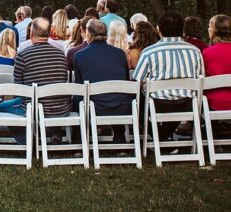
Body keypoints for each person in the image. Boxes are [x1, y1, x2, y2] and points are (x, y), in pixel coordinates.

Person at [132, 11, 204, 141]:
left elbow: (137, 81)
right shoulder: (195, 51)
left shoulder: (149, 52)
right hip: (188, 104)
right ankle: (164, 136)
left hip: (158, 104)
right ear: (182, 29)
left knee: (135, 99)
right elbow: (201, 77)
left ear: (158, 29)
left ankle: (160, 136)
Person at [74, 20, 132, 143]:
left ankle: (78, 139)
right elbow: (126, 80)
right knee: (118, 94)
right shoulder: (120, 53)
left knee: (77, 97)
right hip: (123, 107)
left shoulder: (79, 56)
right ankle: (119, 136)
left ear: (88, 34)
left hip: (94, 107)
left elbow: (79, 86)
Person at [14, 17, 70, 143]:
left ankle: (27, 140)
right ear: (49, 34)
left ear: (31, 33)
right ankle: (55, 133)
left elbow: (18, 88)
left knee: (3, 107)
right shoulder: (61, 53)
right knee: (51, 98)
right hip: (61, 107)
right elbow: (62, 80)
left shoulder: (23, 55)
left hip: (33, 108)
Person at [202, 14, 231, 112]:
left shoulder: (207, 52)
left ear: (215, 30)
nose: (208, 29)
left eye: (210, 26)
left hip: (213, 102)